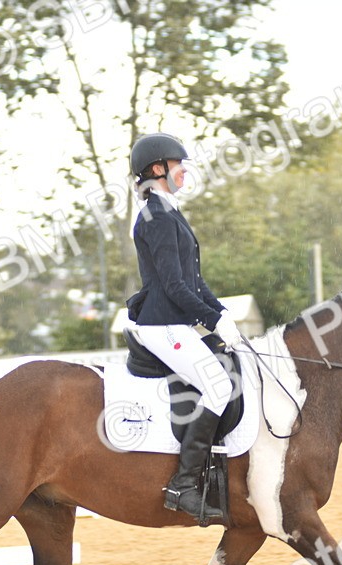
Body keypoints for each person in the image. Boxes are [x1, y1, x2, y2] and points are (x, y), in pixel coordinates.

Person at [125, 132, 242, 523]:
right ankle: (185, 484)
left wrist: (221, 313)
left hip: (175, 322)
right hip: (163, 324)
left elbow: (194, 282)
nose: (185, 173)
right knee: (219, 384)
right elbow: (174, 287)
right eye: (179, 166)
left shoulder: (168, 211)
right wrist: (211, 321)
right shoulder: (155, 217)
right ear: (158, 169)